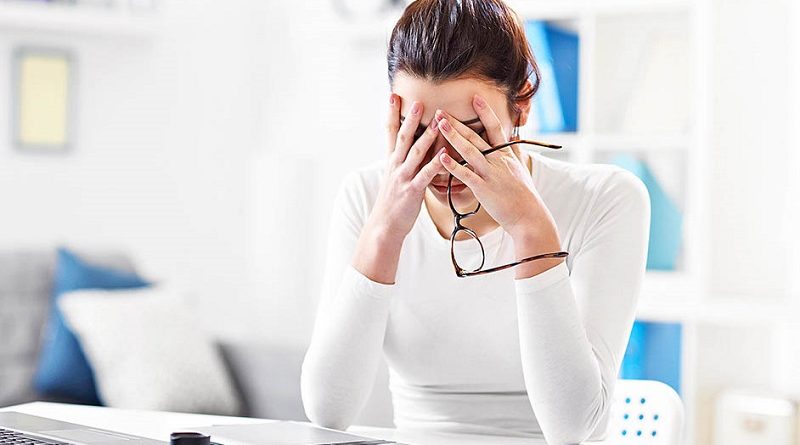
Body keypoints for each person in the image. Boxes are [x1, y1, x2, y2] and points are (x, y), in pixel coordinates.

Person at [301, 1, 650, 444]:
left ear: (521, 104)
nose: (443, 163)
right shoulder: (365, 197)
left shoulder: (605, 199)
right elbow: (327, 412)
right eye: (419, 134)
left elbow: (572, 428)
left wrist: (529, 226)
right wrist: (385, 232)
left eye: (470, 133)